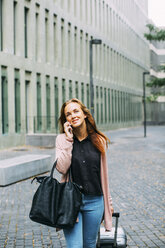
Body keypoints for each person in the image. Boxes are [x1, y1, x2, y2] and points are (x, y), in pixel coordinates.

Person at [55, 98, 113, 248]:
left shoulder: (99, 140)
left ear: (84, 114)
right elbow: (61, 168)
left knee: (89, 244)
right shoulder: (62, 140)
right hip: (71, 202)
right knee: (75, 246)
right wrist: (69, 140)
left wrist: (109, 202)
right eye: (68, 114)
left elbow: (103, 176)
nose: (73, 115)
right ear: (65, 120)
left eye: (76, 111)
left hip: (95, 201)